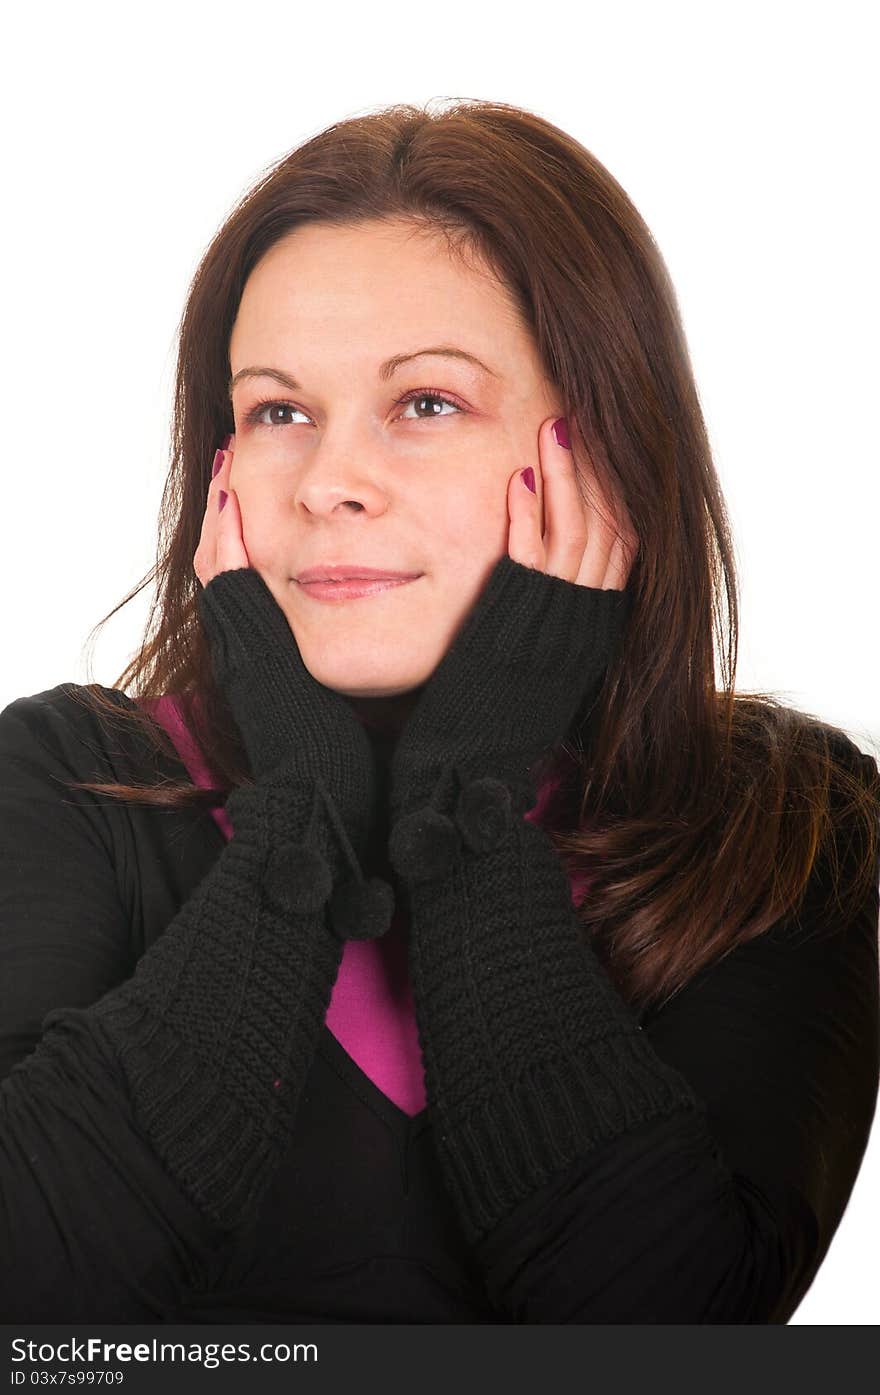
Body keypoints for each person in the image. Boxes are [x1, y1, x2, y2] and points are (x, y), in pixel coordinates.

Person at [1, 98, 877, 1325]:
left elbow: (674, 1334)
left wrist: (468, 788)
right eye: (278, 411)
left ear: (609, 450)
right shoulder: (62, 779)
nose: (328, 484)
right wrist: (299, 806)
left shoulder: (780, 822)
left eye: (426, 404)